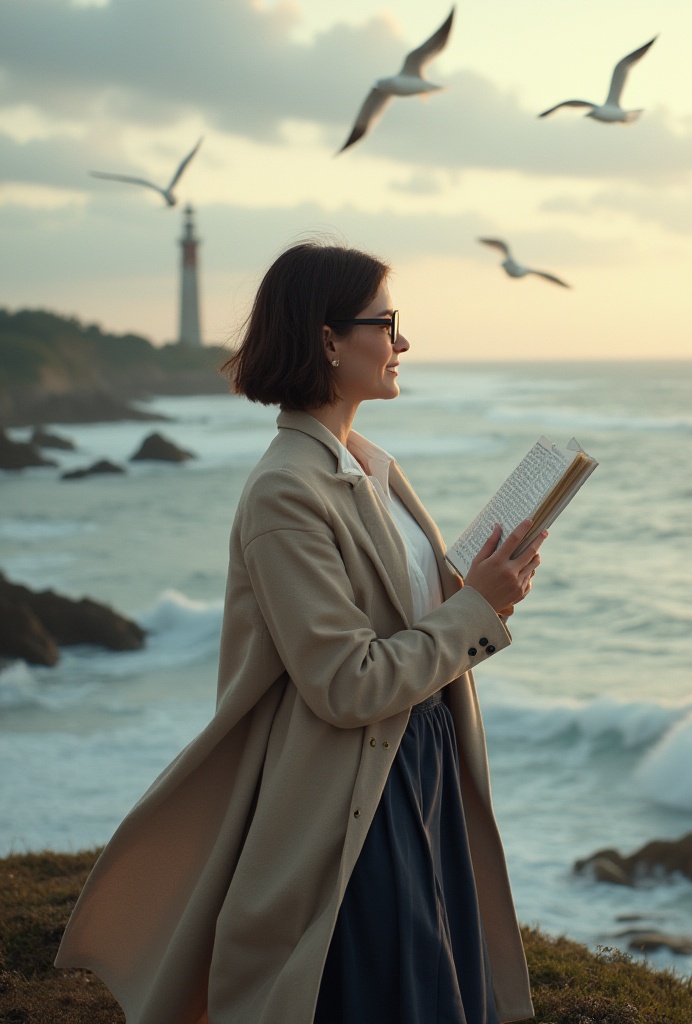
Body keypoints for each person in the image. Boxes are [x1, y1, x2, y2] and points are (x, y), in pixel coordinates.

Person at [56, 241, 545, 1024]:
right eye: (387, 323)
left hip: (419, 772)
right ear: (327, 339)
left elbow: (407, 620)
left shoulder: (373, 467)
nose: (403, 343)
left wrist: (480, 588)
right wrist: (473, 614)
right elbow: (345, 683)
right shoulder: (287, 491)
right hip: (352, 798)